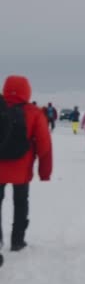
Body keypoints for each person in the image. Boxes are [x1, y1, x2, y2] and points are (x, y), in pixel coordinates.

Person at [0, 76, 53, 252]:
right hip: (21, 169)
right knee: (21, 203)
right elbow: (44, 146)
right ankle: (17, 240)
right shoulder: (34, 112)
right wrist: (44, 172)